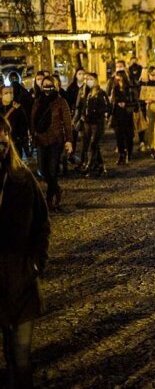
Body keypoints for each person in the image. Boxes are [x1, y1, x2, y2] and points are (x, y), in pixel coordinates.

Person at [0, 116, 51, 389]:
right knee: (7, 357)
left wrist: (36, 264)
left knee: (21, 357)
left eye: (2, 141)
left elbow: (42, 223)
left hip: (22, 279)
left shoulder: (23, 179)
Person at [31, 76, 72, 211]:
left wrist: (69, 141)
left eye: (50, 84)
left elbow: (67, 123)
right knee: (43, 170)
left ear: (55, 86)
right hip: (41, 140)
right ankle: (56, 188)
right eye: (45, 84)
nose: (47, 86)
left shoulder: (61, 102)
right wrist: (33, 137)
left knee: (53, 170)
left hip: (55, 140)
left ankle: (49, 198)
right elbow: (33, 122)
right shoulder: (37, 102)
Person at [81, 73, 110, 177]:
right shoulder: (87, 93)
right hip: (88, 122)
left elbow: (107, 107)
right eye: (87, 79)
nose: (88, 80)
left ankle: (89, 167)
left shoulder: (101, 93)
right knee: (93, 145)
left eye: (91, 79)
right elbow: (83, 105)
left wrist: (97, 112)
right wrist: (83, 114)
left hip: (97, 122)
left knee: (93, 144)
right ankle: (101, 165)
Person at [110, 71, 136, 165]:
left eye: (120, 77)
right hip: (117, 115)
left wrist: (126, 104)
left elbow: (135, 103)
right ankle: (121, 155)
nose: (118, 79)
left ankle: (129, 153)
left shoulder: (129, 89)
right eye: (117, 77)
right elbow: (112, 101)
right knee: (119, 136)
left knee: (129, 136)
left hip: (127, 115)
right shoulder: (115, 88)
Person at [1, 86, 30, 158]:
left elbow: (24, 124)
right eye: (6, 93)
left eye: (11, 93)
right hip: (2, 142)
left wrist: (20, 138)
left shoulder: (18, 108)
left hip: (15, 143)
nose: (9, 95)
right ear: (1, 95)